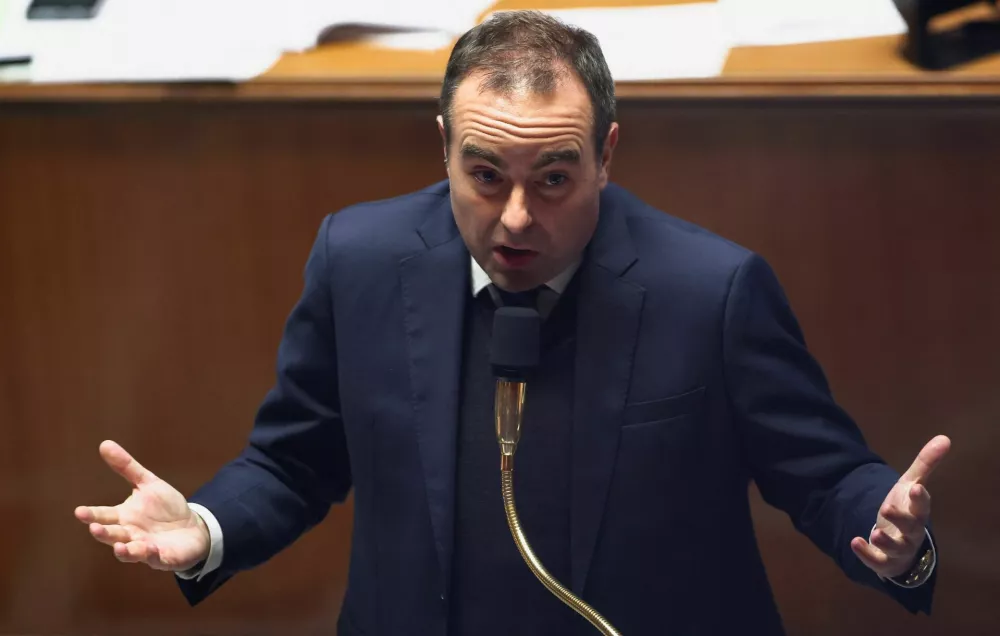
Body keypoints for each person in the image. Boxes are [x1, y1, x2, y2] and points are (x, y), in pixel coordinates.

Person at [74, 11, 950, 636]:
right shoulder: (360, 258)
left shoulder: (711, 290)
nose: (518, 218)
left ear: (606, 155)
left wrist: (889, 531)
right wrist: (206, 528)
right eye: (486, 174)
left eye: (554, 178)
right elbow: (297, 459)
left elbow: (825, 475)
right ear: (444, 145)